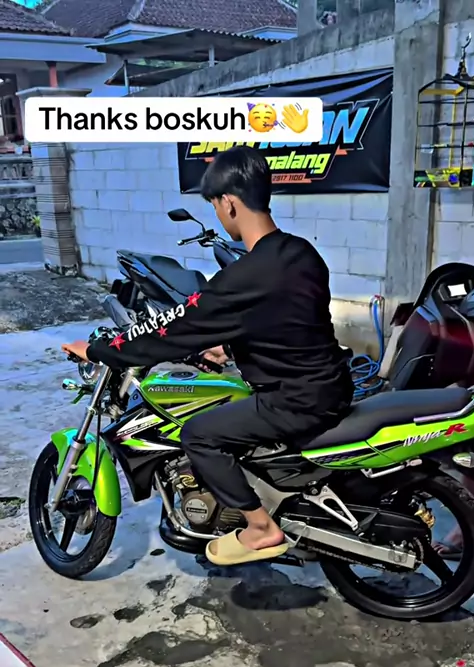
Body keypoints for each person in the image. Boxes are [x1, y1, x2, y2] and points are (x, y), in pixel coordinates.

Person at [62, 146, 354, 566]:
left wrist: (98, 349)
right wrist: (226, 345)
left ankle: (260, 527)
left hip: (295, 400)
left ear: (229, 203)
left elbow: (170, 329)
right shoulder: (301, 252)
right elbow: (288, 324)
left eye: (216, 205)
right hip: (331, 383)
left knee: (198, 434)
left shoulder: (243, 276)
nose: (218, 215)